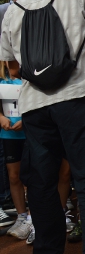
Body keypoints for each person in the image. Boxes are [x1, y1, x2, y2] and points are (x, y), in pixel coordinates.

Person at [0, 0, 85, 253]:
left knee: (41, 182)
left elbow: (13, 69)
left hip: (35, 104)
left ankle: (47, 247)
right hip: (76, 97)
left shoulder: (15, 9)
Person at [1, 62, 28, 239]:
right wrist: (1, 117)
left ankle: (35, 217)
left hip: (31, 132)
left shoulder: (28, 73)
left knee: (35, 175)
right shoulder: (2, 78)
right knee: (13, 175)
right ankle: (22, 216)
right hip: (9, 134)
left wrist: (25, 121)